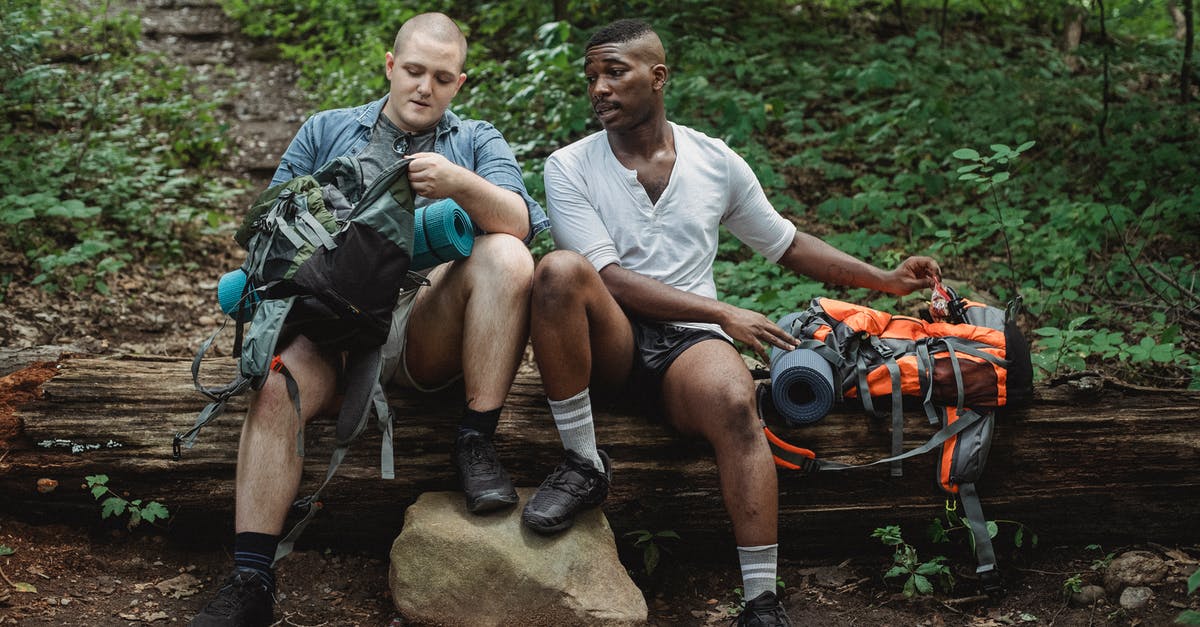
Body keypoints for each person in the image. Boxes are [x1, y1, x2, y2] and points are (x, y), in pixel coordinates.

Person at [519, 18, 940, 627]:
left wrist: (888, 280)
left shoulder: (714, 160)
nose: (599, 89)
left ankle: (762, 601)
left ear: (658, 77)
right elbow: (606, 279)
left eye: (615, 72)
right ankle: (584, 464)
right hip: (609, 338)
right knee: (558, 270)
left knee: (738, 404)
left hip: (687, 348)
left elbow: (787, 244)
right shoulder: (569, 165)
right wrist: (723, 311)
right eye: (592, 77)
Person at [191, 12, 548, 627]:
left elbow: (520, 222)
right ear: (389, 65)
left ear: (459, 83)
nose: (424, 88)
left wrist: (459, 184)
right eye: (412, 71)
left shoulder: (476, 140)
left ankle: (476, 441)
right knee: (278, 385)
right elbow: (264, 238)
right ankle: (251, 577)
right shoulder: (326, 130)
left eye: (441, 77)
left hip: (422, 326)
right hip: (327, 331)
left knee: (508, 254)